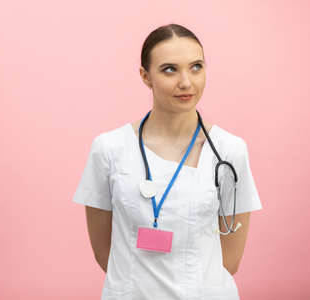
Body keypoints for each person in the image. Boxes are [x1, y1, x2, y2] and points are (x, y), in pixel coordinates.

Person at [72, 23, 262, 300]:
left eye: (196, 67)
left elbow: (230, 260)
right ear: (145, 76)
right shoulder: (109, 148)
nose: (186, 82)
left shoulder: (229, 151)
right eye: (169, 69)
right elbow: (104, 252)